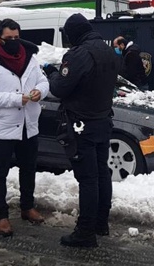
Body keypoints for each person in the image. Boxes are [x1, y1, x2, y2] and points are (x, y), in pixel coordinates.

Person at [43, 13, 119, 248]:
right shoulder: (108, 50)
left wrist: (51, 71)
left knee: (88, 178)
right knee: (101, 173)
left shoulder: (78, 55)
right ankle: (100, 222)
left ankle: (85, 232)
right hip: (102, 121)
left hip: (81, 124)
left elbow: (60, 88)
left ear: (73, 34)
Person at [0, 18, 49, 237]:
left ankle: (27, 207)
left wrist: (39, 92)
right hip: (2, 126)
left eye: (17, 37)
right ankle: (1, 216)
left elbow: (43, 81)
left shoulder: (30, 57)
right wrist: (16, 99)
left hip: (28, 124)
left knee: (29, 168)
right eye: (9, 39)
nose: (15, 42)